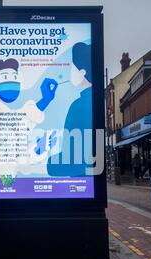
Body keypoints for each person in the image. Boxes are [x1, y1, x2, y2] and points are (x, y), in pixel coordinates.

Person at [48, 42, 93, 177]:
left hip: (80, 184)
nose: (69, 73)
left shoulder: (78, 107)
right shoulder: (90, 102)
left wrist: (47, 161)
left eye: (71, 68)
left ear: (82, 72)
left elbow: (71, 162)